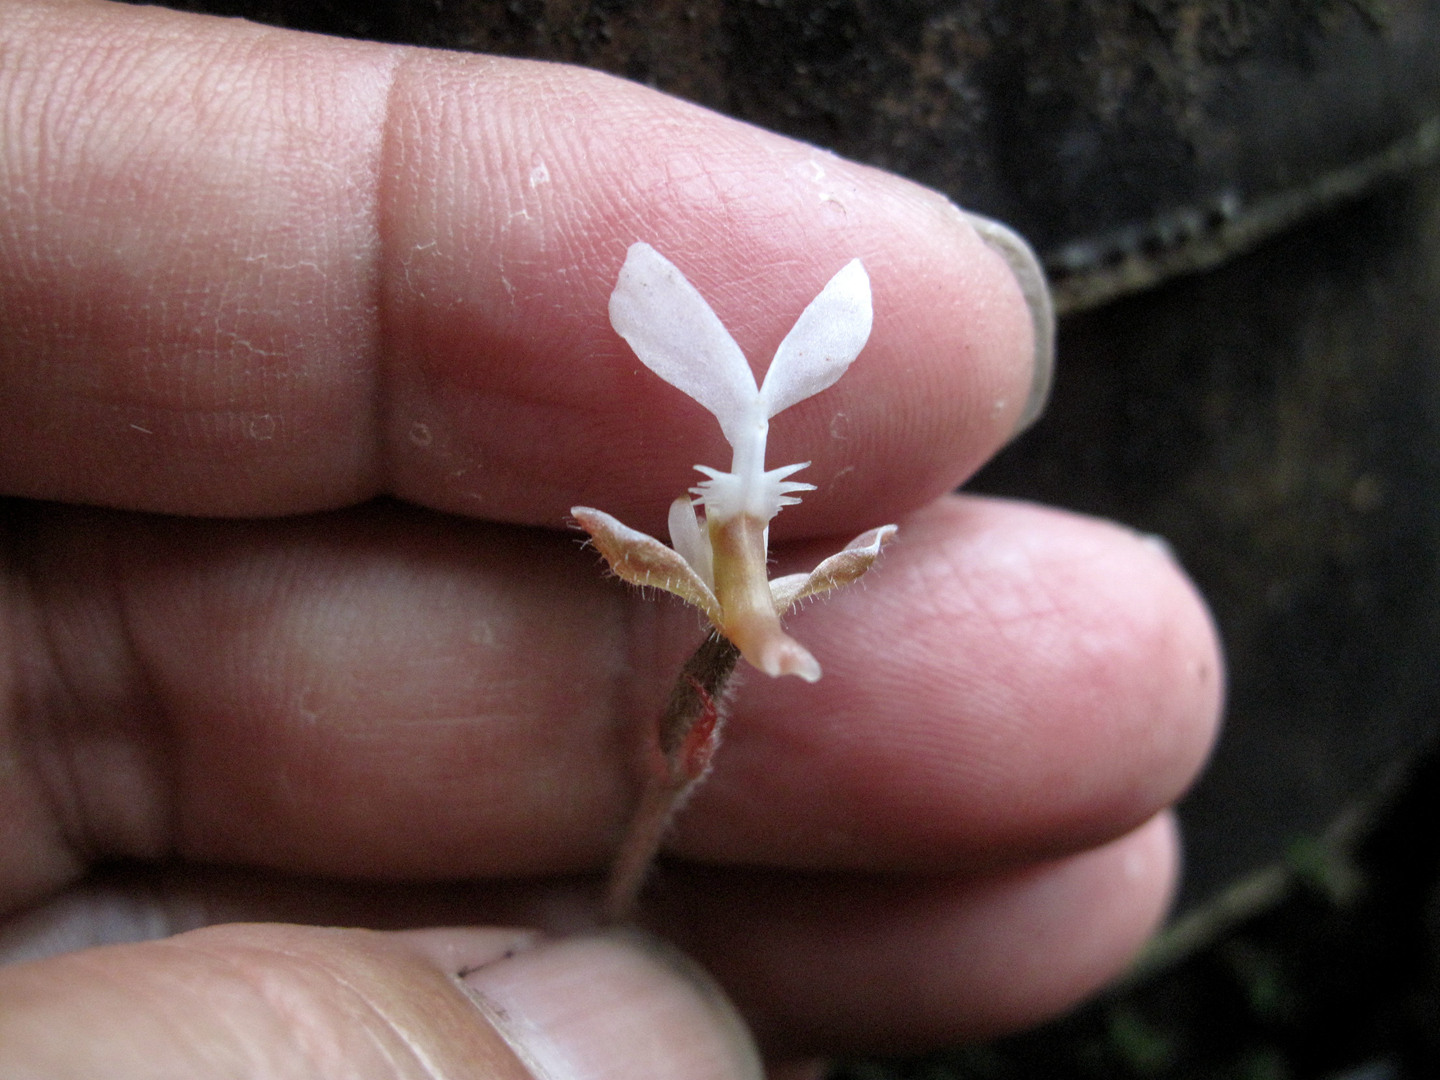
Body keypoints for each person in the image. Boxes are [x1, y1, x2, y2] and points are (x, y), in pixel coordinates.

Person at [0, 1, 1224, 1077]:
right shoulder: (701, 575)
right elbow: (731, 606)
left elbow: (744, 608)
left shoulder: (730, 563)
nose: (748, 502)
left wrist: (750, 600)